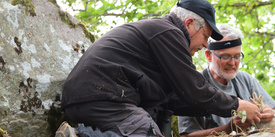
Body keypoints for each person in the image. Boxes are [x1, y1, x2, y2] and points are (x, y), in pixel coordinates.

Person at [60, 0, 262, 136]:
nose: (205, 45)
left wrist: (232, 118)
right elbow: (194, 89)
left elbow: (176, 99)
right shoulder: (168, 32)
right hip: (102, 98)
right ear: (189, 23)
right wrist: (237, 105)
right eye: (205, 36)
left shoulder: (162, 36)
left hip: (92, 100)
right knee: (145, 131)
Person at [178, 24, 275, 137]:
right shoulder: (194, 84)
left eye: (237, 56)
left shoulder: (245, 80)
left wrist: (272, 114)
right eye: (225, 57)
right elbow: (186, 135)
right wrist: (227, 129)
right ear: (208, 55)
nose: (232, 63)